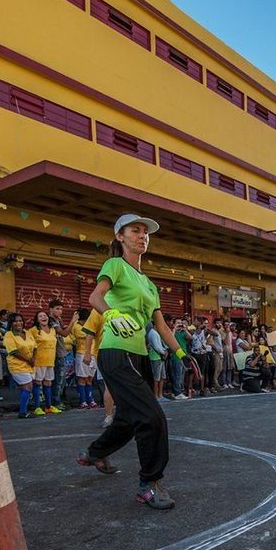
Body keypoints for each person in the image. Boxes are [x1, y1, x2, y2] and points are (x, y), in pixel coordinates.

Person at [78, 213, 200, 509]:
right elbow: (96, 297)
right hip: (116, 352)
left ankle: (95, 452)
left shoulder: (148, 284)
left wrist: (183, 355)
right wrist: (111, 314)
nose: (142, 236)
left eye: (146, 232)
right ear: (121, 236)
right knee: (152, 417)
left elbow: (161, 325)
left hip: (141, 355)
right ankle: (149, 483)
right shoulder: (115, 265)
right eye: (136, 231)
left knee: (129, 419)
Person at [2, 312, 37, 419]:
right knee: (28, 386)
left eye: (20, 321)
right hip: (17, 365)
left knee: (25, 387)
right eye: (16, 321)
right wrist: (28, 360)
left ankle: (24, 409)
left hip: (30, 364)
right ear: (11, 323)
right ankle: (22, 412)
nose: (19, 323)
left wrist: (33, 358)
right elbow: (13, 352)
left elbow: (35, 347)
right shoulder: (9, 335)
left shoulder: (27, 332)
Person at [27, 310, 61, 415]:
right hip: (39, 361)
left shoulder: (52, 330)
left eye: (45, 315)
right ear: (37, 320)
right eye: (40, 316)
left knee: (48, 383)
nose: (43, 317)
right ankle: (37, 407)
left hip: (50, 361)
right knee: (37, 383)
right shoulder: (33, 330)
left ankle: (48, 406)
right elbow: (29, 345)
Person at [72, 307, 100, 408]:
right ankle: (83, 401)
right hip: (82, 354)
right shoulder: (76, 326)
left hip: (93, 354)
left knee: (89, 378)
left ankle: (90, 399)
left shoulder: (90, 325)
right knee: (82, 378)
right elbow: (87, 335)